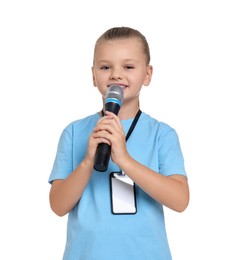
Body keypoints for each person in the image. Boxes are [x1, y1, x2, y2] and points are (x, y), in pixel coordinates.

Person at [48, 26, 189, 260]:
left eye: (128, 67)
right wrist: (86, 163)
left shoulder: (162, 134)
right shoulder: (74, 132)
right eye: (105, 67)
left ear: (147, 74)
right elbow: (58, 206)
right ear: (93, 76)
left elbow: (180, 200)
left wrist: (124, 160)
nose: (116, 75)